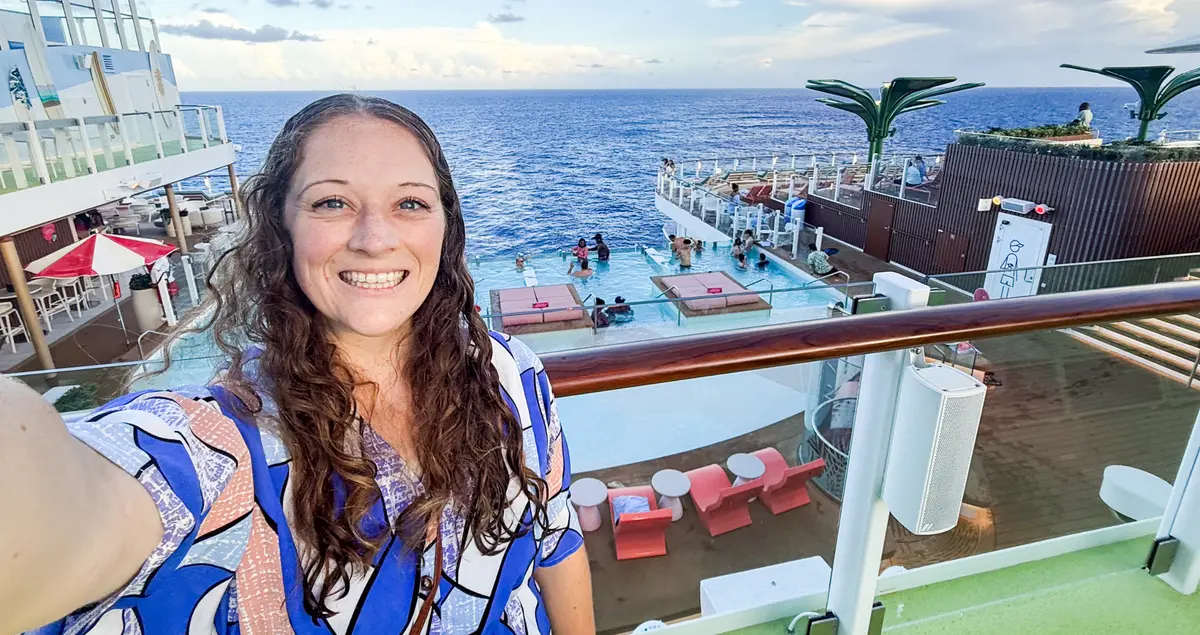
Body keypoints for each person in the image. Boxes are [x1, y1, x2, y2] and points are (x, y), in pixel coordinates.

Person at [0, 95, 594, 635]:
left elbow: (557, 543)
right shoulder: (227, 447)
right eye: (331, 202)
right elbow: (73, 506)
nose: (375, 237)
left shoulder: (511, 373)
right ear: (280, 227)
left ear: (445, 225)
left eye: (410, 202)